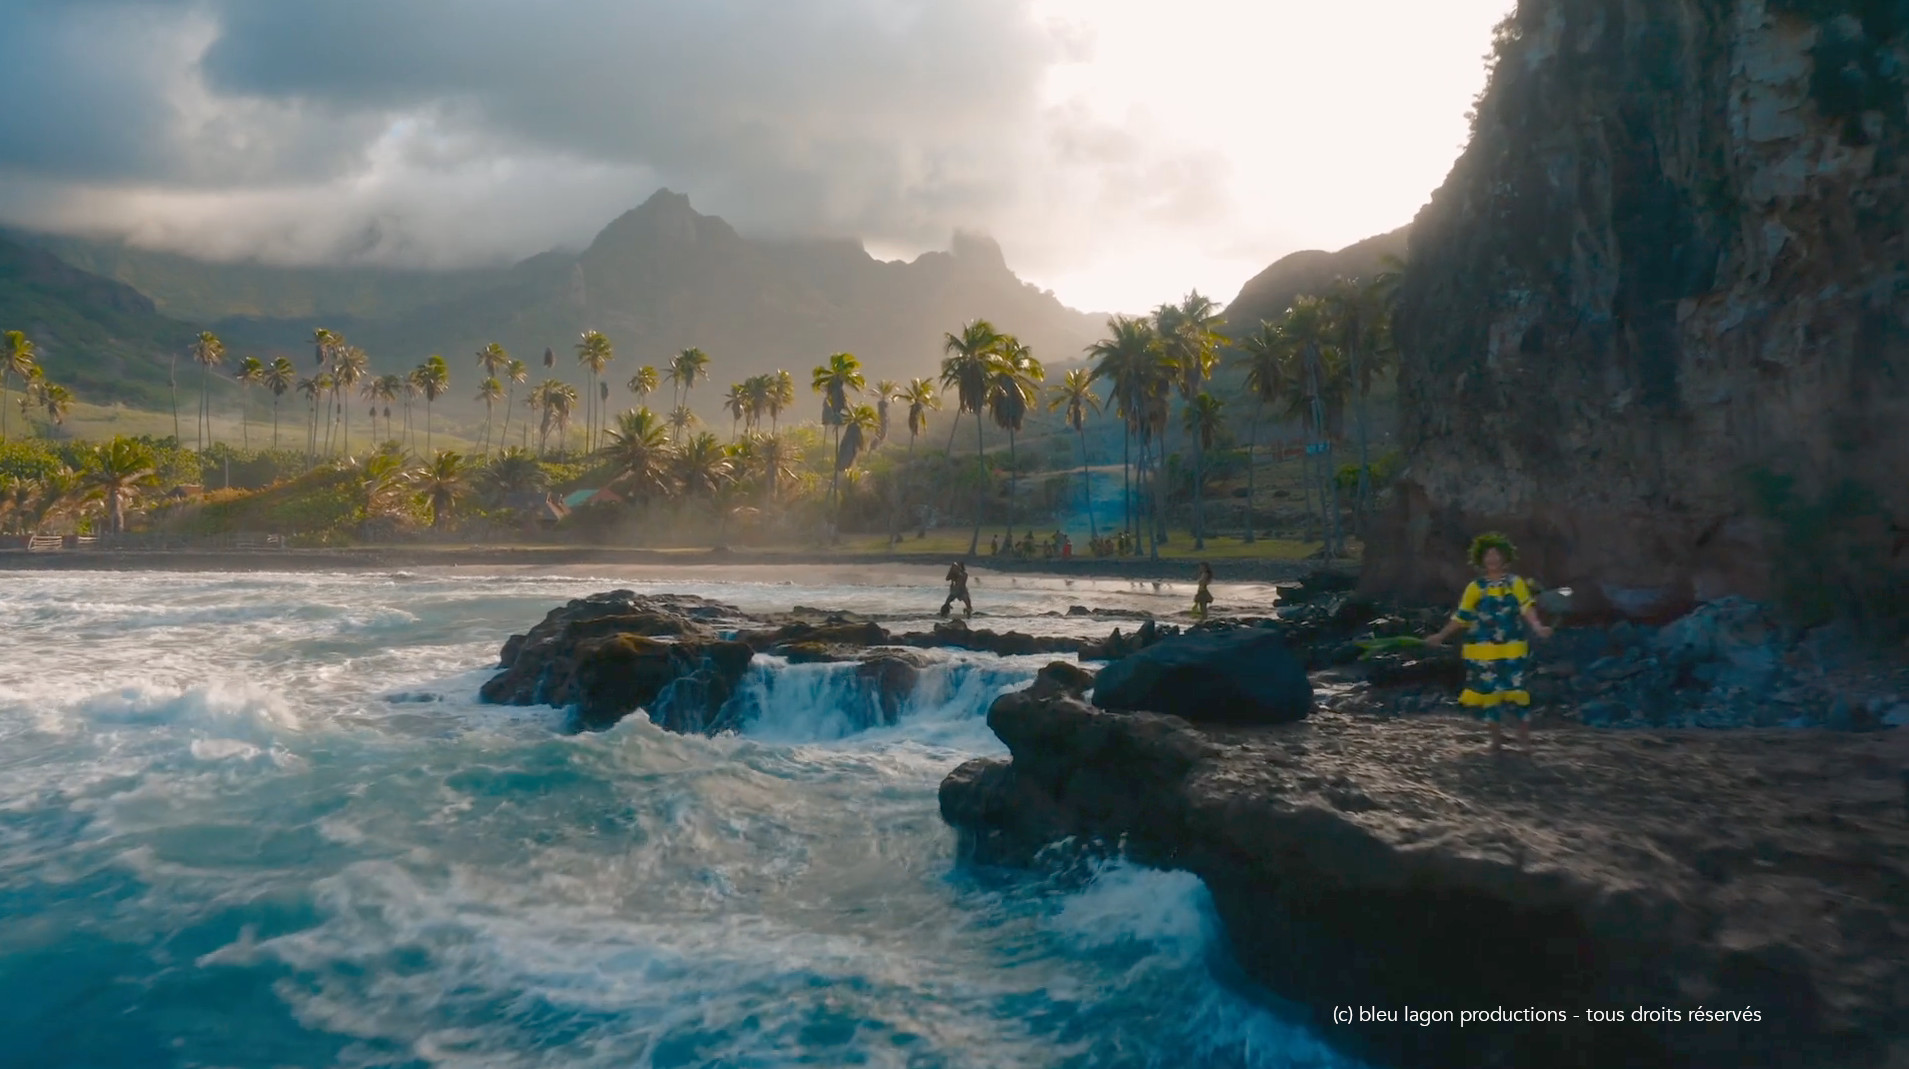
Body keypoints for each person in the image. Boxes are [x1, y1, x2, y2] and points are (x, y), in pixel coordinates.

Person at [1426, 532, 1555, 752]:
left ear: (1505, 558)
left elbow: (1526, 607)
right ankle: (1496, 740)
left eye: (1496, 555)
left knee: (1518, 692)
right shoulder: (1475, 587)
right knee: (1490, 695)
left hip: (1512, 649)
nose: (1492, 559)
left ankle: (1524, 740)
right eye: (1488, 555)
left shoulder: (1516, 583)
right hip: (1483, 651)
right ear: (1481, 560)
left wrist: (1538, 627)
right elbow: (1462, 616)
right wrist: (1440, 635)